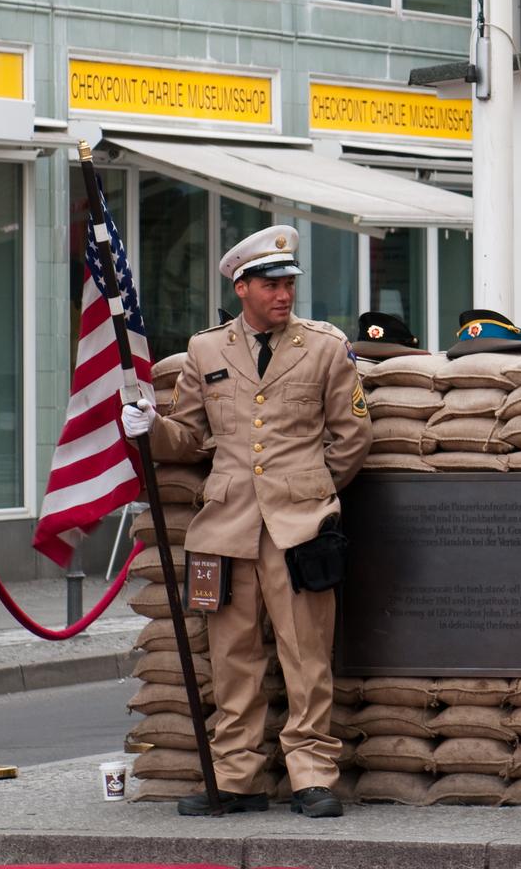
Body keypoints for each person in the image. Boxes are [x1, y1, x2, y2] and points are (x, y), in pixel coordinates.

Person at [122, 226, 371, 818]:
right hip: (227, 527)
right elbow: (188, 436)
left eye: (289, 283)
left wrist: (312, 487)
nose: (284, 294)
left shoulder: (324, 346)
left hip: (300, 527)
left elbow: (352, 434)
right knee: (232, 658)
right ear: (242, 286)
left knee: (306, 656)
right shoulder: (206, 350)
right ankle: (237, 777)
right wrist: (149, 430)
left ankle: (311, 774)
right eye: (271, 284)